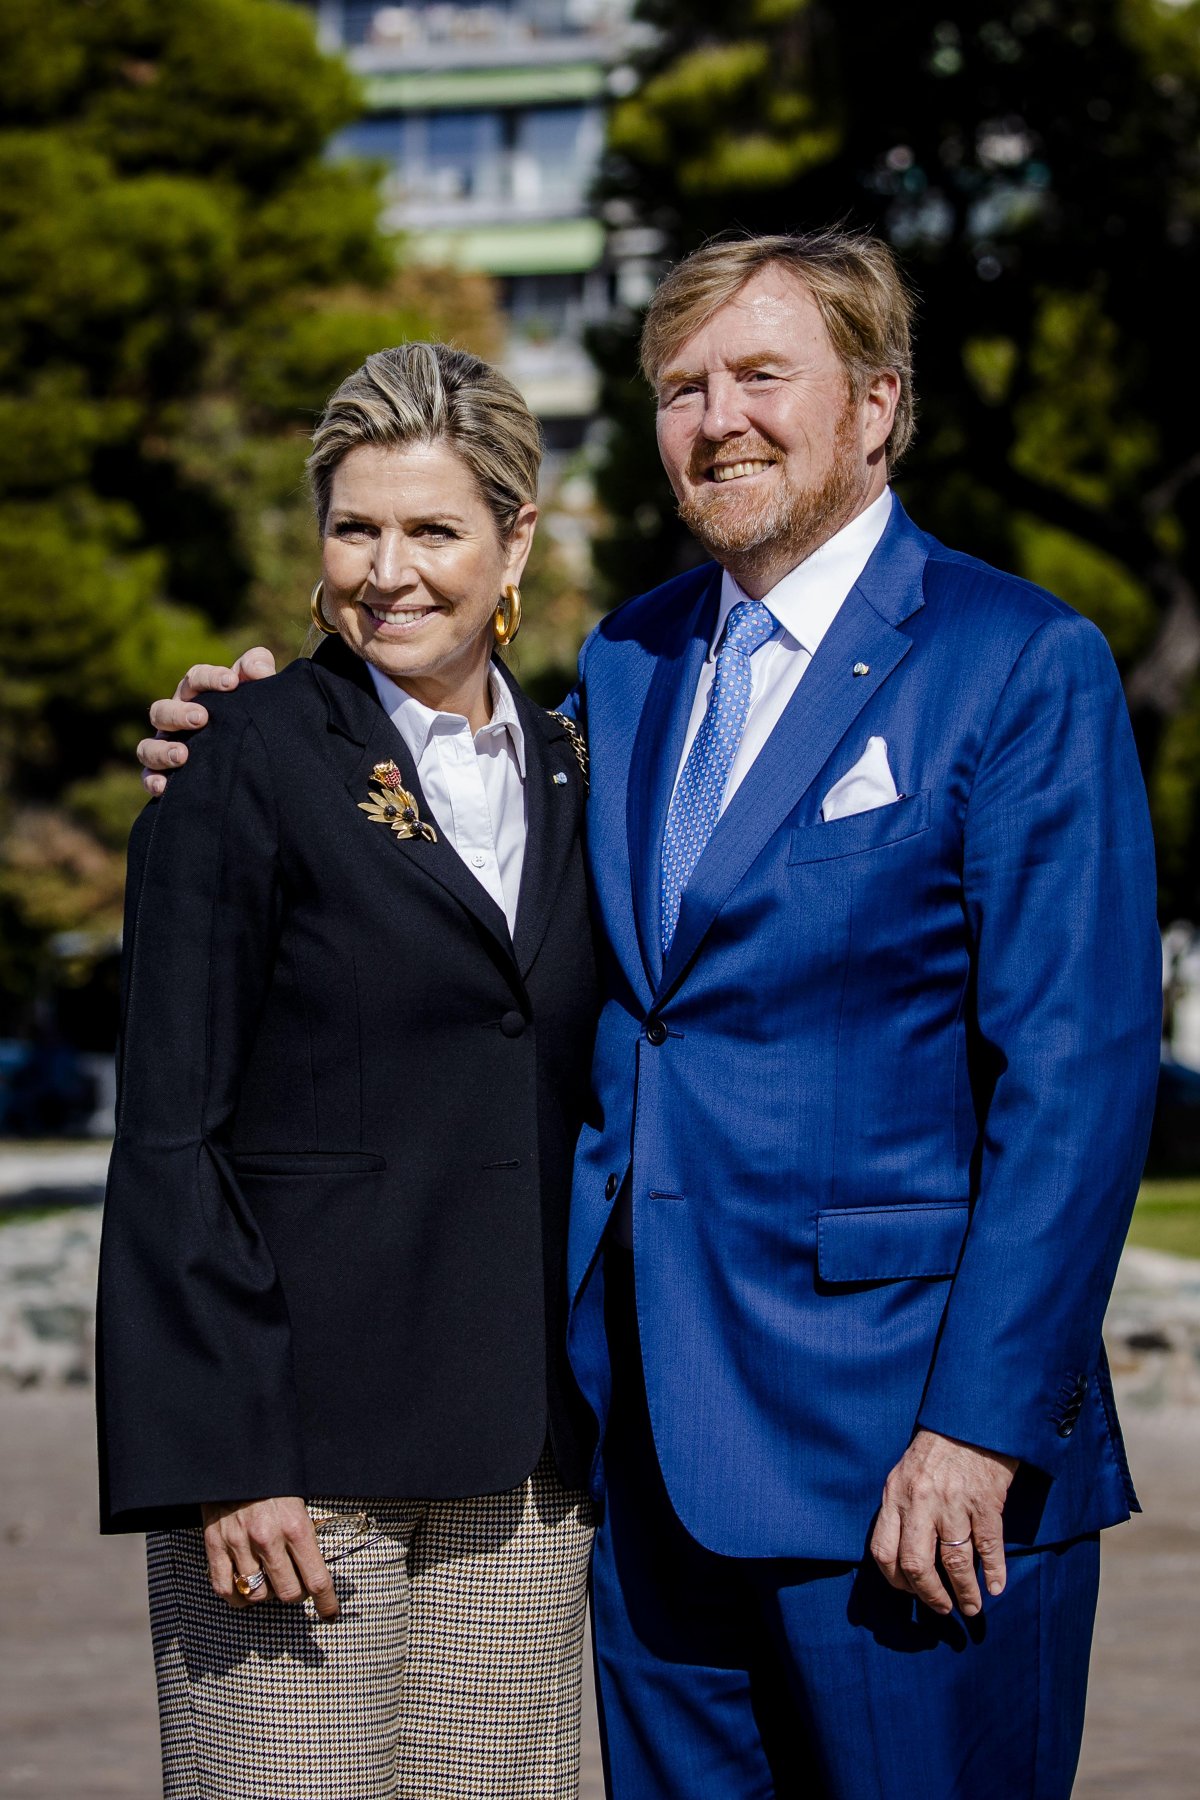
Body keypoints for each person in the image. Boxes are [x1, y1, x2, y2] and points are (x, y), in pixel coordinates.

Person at [140, 229, 1162, 1800]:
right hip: (640, 1484)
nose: (717, 418)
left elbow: (1078, 1081)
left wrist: (978, 1430)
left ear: (878, 405)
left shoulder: (1017, 659)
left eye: (763, 375)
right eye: (682, 386)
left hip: (905, 1466)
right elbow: (444, 830)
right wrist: (262, 735)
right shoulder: (627, 665)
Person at [100, 342, 599, 1800]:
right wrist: (225, 1456)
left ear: (515, 541)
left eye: (432, 529)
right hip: (293, 1459)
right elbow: (169, 1132)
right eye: (353, 527)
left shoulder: (581, 769)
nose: (386, 571)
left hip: (524, 1461)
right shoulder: (239, 756)